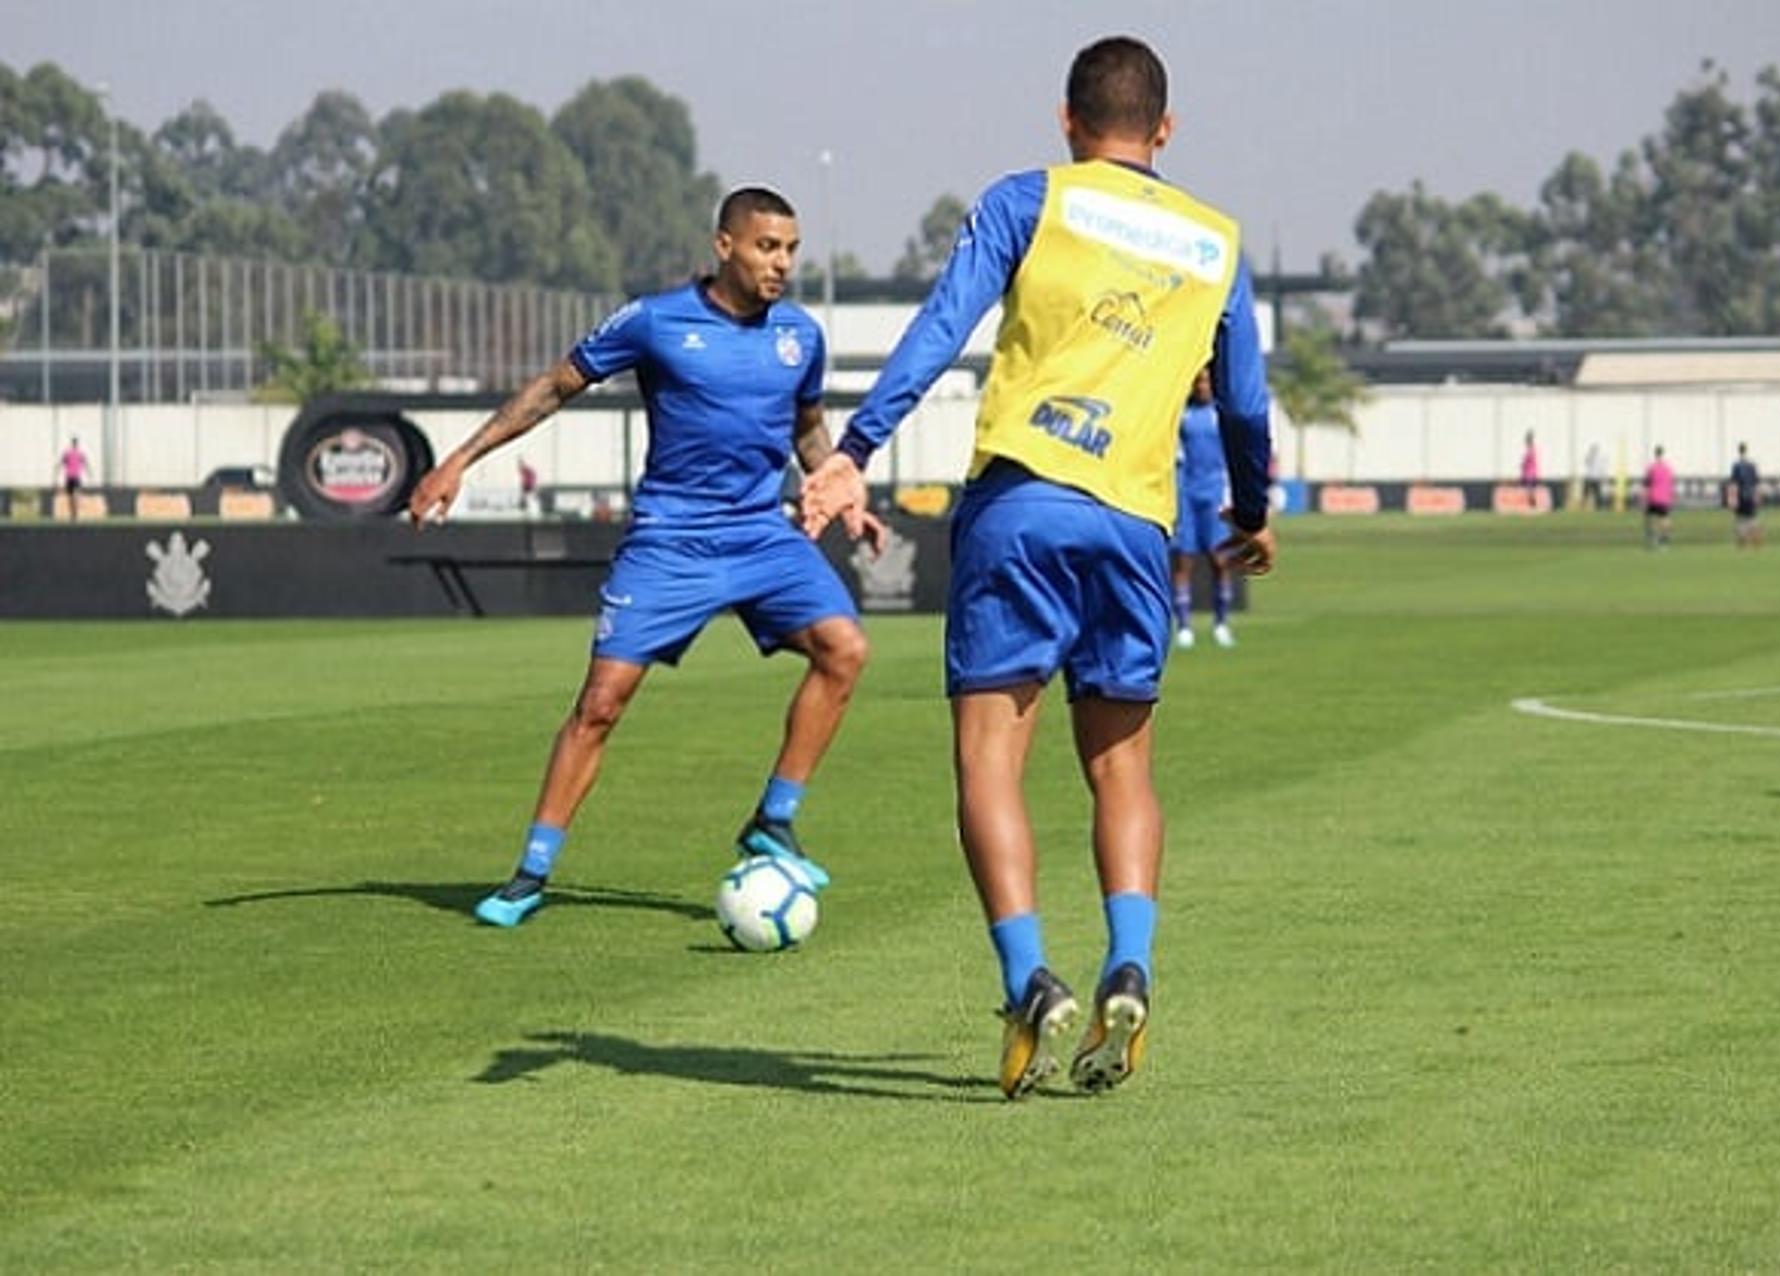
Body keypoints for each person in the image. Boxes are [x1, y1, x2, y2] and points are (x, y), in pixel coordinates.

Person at [800, 36, 1275, 1100]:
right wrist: (1249, 508)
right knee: (1123, 769)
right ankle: (1132, 960)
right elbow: (1243, 404)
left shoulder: (1031, 201)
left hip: (1021, 506)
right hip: (1136, 528)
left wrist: (853, 451)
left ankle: (1028, 981)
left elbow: (937, 334)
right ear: (1165, 130)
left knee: (989, 762)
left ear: (1066, 121)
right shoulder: (1216, 241)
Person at [408, 186, 882, 928]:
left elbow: (809, 429)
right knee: (599, 708)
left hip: (761, 534)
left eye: (790, 249)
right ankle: (531, 874)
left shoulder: (799, 335)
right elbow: (551, 388)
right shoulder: (656, 321)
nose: (781, 264)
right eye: (766, 247)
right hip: (669, 542)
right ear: (724, 246)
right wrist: (459, 459)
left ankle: (773, 821)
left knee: (845, 650)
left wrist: (841, 488)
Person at [1171, 366, 1237, 649]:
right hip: (1186, 493)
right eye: (1198, 381)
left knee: (1219, 560)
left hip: (1214, 494)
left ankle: (1221, 623)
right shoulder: (1181, 415)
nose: (1202, 387)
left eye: (1206, 381)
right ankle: (1184, 626)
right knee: (1183, 560)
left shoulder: (1222, 415)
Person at [1727, 442, 1763, 549]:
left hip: (1741, 496)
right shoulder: (1752, 466)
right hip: (1751, 496)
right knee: (1752, 519)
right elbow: (1757, 484)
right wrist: (1758, 497)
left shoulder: (1736, 466)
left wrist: (1732, 499)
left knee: (1740, 520)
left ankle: (1743, 543)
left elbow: (1733, 484)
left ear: (1739, 451)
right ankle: (1755, 540)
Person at [1643, 445, 1675, 550]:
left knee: (1650, 518)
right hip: (1665, 497)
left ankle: (1653, 538)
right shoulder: (1668, 468)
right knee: (1664, 518)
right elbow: (1671, 483)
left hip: (1653, 497)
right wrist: (1671, 495)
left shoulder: (1651, 468)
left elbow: (1647, 483)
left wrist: (1644, 496)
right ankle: (1664, 540)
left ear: (1655, 454)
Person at [54, 437, 90, 520]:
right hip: (76, 477)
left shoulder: (67, 453)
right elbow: (86, 464)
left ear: (72, 443)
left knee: (70, 496)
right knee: (76, 495)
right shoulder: (80, 453)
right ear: (77, 444)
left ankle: (73, 514)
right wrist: (89, 474)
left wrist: (57, 473)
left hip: (69, 477)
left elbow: (60, 464)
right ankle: (75, 513)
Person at [1583, 441, 1607, 512]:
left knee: (1597, 494)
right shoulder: (1590, 456)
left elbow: (1601, 468)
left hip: (1596, 478)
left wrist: (1602, 476)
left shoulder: (1600, 458)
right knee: (1586, 493)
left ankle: (1599, 507)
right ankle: (1584, 506)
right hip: (1589, 477)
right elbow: (1586, 462)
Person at [1519, 430, 1541, 507]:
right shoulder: (1530, 449)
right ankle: (1531, 503)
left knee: (1530, 489)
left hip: (1530, 473)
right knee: (1530, 489)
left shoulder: (1531, 450)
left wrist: (1523, 464)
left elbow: (1528, 460)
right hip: (1529, 473)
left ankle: (1532, 503)